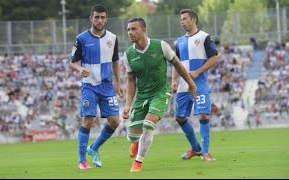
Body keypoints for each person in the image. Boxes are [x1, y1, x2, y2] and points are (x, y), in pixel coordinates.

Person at [122, 17, 197, 172]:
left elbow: (177, 64)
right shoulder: (128, 54)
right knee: (133, 136)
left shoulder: (161, 46)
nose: (130, 32)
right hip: (141, 97)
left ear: (143, 30)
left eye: (134, 29)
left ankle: (138, 163)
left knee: (148, 125)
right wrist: (128, 104)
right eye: (128, 29)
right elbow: (130, 81)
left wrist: (191, 84)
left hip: (160, 93)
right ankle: (135, 141)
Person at [70, 4, 124, 170]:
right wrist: (80, 69)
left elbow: (115, 62)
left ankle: (93, 148)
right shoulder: (81, 39)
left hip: (107, 86)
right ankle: (81, 161)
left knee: (115, 121)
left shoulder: (113, 38)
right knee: (88, 120)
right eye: (96, 17)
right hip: (89, 86)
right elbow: (72, 63)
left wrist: (118, 83)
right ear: (91, 18)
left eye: (102, 17)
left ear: (106, 19)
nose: (99, 20)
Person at [171, 9, 219, 161]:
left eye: (184, 18)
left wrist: (198, 72)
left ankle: (205, 153)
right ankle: (196, 149)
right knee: (179, 118)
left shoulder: (204, 37)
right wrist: (173, 80)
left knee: (203, 115)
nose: (182, 21)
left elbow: (214, 58)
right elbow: (175, 63)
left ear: (193, 19)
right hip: (183, 86)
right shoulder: (179, 41)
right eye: (181, 19)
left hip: (199, 84)